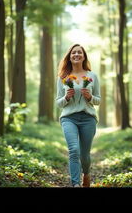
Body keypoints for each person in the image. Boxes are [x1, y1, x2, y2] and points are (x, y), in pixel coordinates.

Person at [55, 43, 101, 187]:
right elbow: (58, 102)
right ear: (69, 57)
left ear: (84, 57)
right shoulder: (63, 77)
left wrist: (90, 97)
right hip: (69, 118)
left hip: (88, 118)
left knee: (84, 155)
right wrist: (66, 98)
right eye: (73, 52)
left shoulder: (92, 76)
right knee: (74, 150)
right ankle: (75, 184)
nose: (76, 54)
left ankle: (86, 173)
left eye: (79, 52)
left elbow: (98, 100)